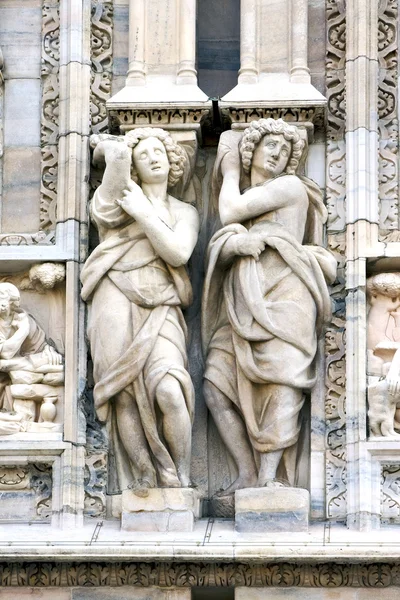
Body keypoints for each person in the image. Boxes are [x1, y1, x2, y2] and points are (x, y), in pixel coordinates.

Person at [202, 118, 336, 494]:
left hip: (286, 295)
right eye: (270, 146)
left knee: (282, 382)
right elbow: (228, 233)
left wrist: (229, 171)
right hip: (244, 299)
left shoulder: (289, 186)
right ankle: (246, 471)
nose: (277, 154)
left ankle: (268, 479)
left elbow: (230, 211)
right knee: (215, 384)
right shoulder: (256, 205)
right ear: (252, 151)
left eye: (284, 149)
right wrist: (233, 245)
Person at [81, 128, 199, 493]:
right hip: (114, 293)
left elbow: (178, 253)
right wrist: (111, 150)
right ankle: (144, 473)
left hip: (162, 302)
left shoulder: (185, 211)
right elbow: (114, 172)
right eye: (143, 154)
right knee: (124, 392)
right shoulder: (116, 202)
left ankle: (179, 474)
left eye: (159, 150)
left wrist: (145, 214)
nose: (153, 157)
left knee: (168, 388)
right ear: (133, 166)